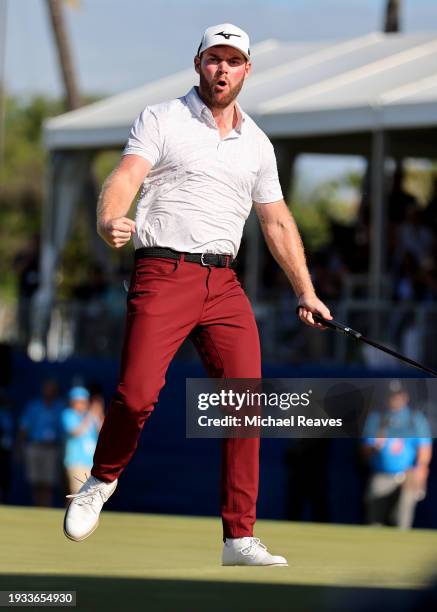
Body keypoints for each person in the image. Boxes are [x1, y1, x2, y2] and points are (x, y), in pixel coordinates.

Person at [63, 23, 331, 565]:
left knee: (245, 400)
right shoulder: (162, 118)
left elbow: (277, 221)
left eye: (233, 61)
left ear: (247, 69)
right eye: (215, 59)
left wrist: (307, 291)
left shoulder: (256, 144)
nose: (223, 69)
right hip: (163, 272)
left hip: (223, 283)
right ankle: (101, 479)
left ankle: (238, 537)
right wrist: (109, 217)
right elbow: (125, 176)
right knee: (136, 395)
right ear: (198, 63)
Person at [362, 380, 432, 529]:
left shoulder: (414, 419)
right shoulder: (377, 418)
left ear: (405, 397)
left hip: (408, 474)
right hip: (382, 474)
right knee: (375, 521)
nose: (396, 400)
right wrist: (375, 446)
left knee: (402, 518)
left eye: (399, 396)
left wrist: (421, 470)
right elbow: (365, 452)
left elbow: (424, 449)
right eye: (392, 396)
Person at [18, 379, 64, 506]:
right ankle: (37, 507)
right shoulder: (34, 406)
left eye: (52, 388)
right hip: (35, 446)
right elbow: (24, 428)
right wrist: (20, 447)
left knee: (48, 483)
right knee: (35, 481)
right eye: (47, 388)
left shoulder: (60, 407)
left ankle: (45, 509)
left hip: (52, 448)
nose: (49, 391)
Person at [61, 386, 103, 495]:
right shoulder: (68, 414)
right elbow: (75, 432)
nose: (81, 404)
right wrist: (90, 416)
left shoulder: (91, 416)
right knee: (78, 494)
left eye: (83, 402)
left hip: (91, 462)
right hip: (76, 461)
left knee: (90, 496)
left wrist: (99, 415)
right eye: (78, 402)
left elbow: (102, 434)